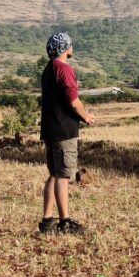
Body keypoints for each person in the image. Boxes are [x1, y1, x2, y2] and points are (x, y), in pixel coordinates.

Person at [39, 32, 95, 233]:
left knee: (53, 175)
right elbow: (73, 101)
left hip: (50, 129)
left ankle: (47, 221)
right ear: (65, 48)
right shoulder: (64, 69)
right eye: (70, 45)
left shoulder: (48, 69)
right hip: (64, 130)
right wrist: (85, 116)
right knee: (63, 176)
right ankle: (65, 222)